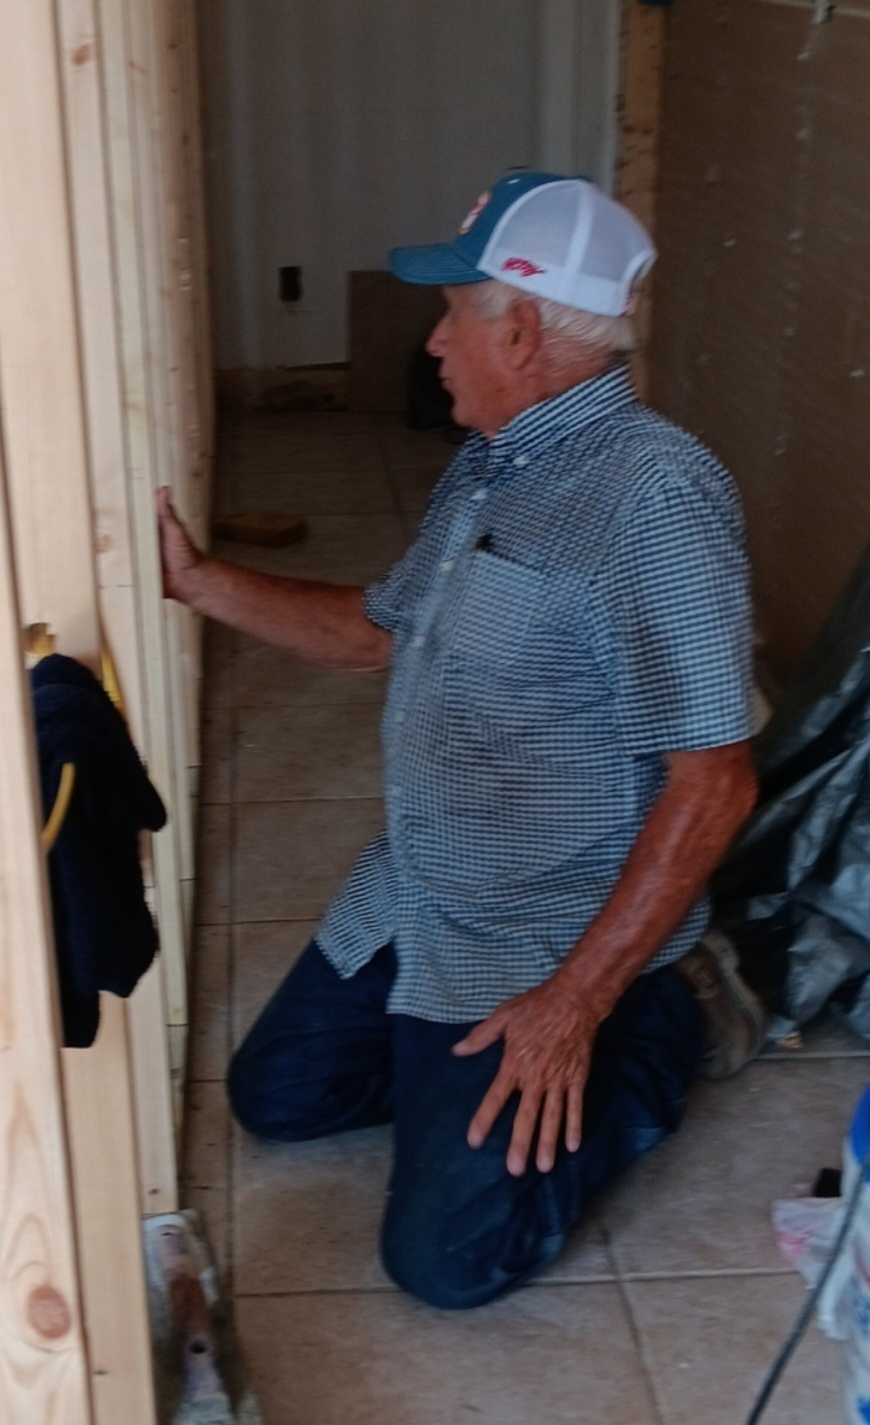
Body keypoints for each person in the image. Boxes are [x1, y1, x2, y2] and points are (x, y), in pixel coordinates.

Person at [158, 171, 764, 1311]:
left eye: (451, 315)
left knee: (448, 1260)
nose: (433, 343)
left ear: (521, 331)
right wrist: (197, 581)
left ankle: (661, 1019)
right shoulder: (495, 461)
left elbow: (715, 782)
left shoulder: (654, 500)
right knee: (278, 1096)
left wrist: (569, 1006)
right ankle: (463, 1079)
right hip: (424, 888)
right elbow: (377, 633)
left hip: (545, 929)